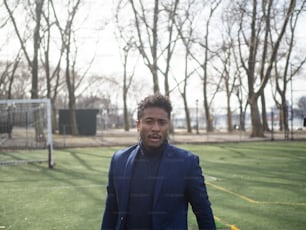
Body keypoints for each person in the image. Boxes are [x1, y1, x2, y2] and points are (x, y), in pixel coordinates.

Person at [101, 93, 216, 230]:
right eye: (149, 121)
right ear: (138, 125)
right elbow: (111, 210)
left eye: (162, 122)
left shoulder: (187, 163)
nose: (156, 128)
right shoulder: (119, 160)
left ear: (168, 125)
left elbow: (203, 212)